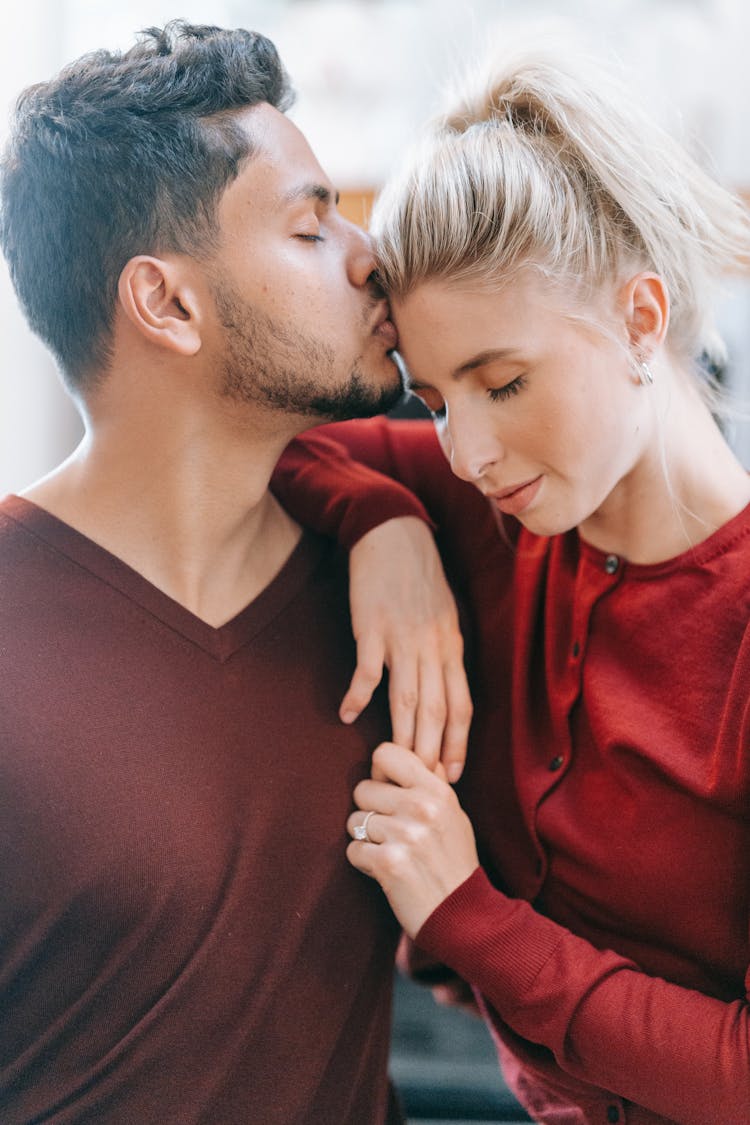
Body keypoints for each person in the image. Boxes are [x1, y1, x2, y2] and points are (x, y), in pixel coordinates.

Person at [0, 20, 472, 1123]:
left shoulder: (391, 593)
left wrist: (388, 519)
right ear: (167, 304)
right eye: (311, 228)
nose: (369, 258)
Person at [271, 48, 750, 1125]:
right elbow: (264, 441)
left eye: (505, 383)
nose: (471, 450)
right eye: (436, 400)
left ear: (641, 318)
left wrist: (468, 918)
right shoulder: (498, 508)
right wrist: (382, 521)